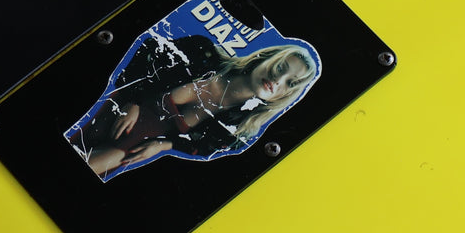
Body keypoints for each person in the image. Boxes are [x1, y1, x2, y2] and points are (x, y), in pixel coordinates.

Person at [68, 34, 318, 179]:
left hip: (126, 148)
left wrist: (166, 145)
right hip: (105, 114)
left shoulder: (241, 130)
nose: (278, 80)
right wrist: (134, 100)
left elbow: (203, 149)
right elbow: (148, 50)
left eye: (290, 83)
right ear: (265, 57)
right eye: (281, 67)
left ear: (286, 96)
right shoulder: (202, 51)